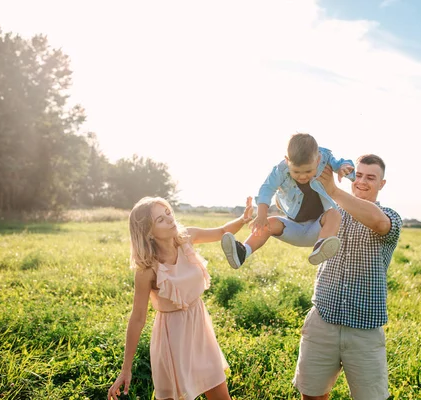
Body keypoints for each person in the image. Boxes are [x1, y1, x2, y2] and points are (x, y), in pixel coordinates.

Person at [107, 196, 253, 400]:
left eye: (168, 213)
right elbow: (138, 318)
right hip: (171, 340)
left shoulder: (186, 237)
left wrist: (242, 219)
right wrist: (126, 369)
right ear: (148, 232)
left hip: (200, 330)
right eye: (160, 220)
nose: (170, 219)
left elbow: (221, 232)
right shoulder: (147, 270)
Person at [292, 154, 402, 400]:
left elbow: (378, 223)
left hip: (364, 330)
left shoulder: (390, 217)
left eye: (370, 177)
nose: (362, 181)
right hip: (323, 319)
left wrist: (333, 189)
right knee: (311, 394)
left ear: (381, 184)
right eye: (358, 175)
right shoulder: (331, 213)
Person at [221, 133, 354, 269]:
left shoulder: (325, 157)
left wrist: (346, 169)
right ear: (287, 161)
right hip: (293, 228)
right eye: (296, 172)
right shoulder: (280, 170)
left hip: (318, 228)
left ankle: (321, 247)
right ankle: (242, 252)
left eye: (308, 171)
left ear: (318, 160)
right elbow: (267, 189)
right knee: (270, 222)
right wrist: (261, 215)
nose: (302, 176)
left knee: (335, 214)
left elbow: (343, 163)